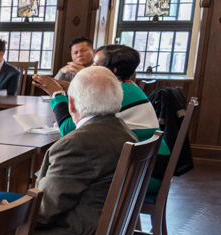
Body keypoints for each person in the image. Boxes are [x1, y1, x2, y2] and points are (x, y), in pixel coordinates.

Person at [0, 66, 136, 235]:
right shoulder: (124, 131)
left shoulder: (77, 144)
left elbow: (44, 213)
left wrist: (11, 211)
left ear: (71, 103)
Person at [31, 43, 168, 191]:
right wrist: (72, 85)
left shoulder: (118, 93)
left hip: (143, 174)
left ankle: (33, 202)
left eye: (96, 64)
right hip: (147, 165)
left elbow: (69, 130)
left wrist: (56, 94)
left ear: (113, 70)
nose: (91, 68)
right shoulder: (127, 87)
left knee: (61, 172)